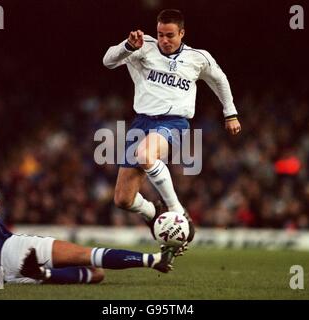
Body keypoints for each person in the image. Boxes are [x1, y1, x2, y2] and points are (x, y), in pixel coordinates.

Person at [0, 112, 176, 285]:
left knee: (95, 275)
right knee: (88, 255)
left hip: (4, 274)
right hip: (13, 250)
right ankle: (155, 260)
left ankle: (43, 274)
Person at [103, 9, 241, 246]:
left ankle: (178, 212)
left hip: (173, 122)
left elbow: (220, 79)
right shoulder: (141, 45)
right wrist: (128, 46)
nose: (164, 40)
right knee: (123, 200)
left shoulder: (198, 58)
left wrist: (230, 113)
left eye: (169, 35)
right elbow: (108, 61)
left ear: (182, 33)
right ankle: (153, 212)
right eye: (160, 34)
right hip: (141, 124)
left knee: (146, 155)